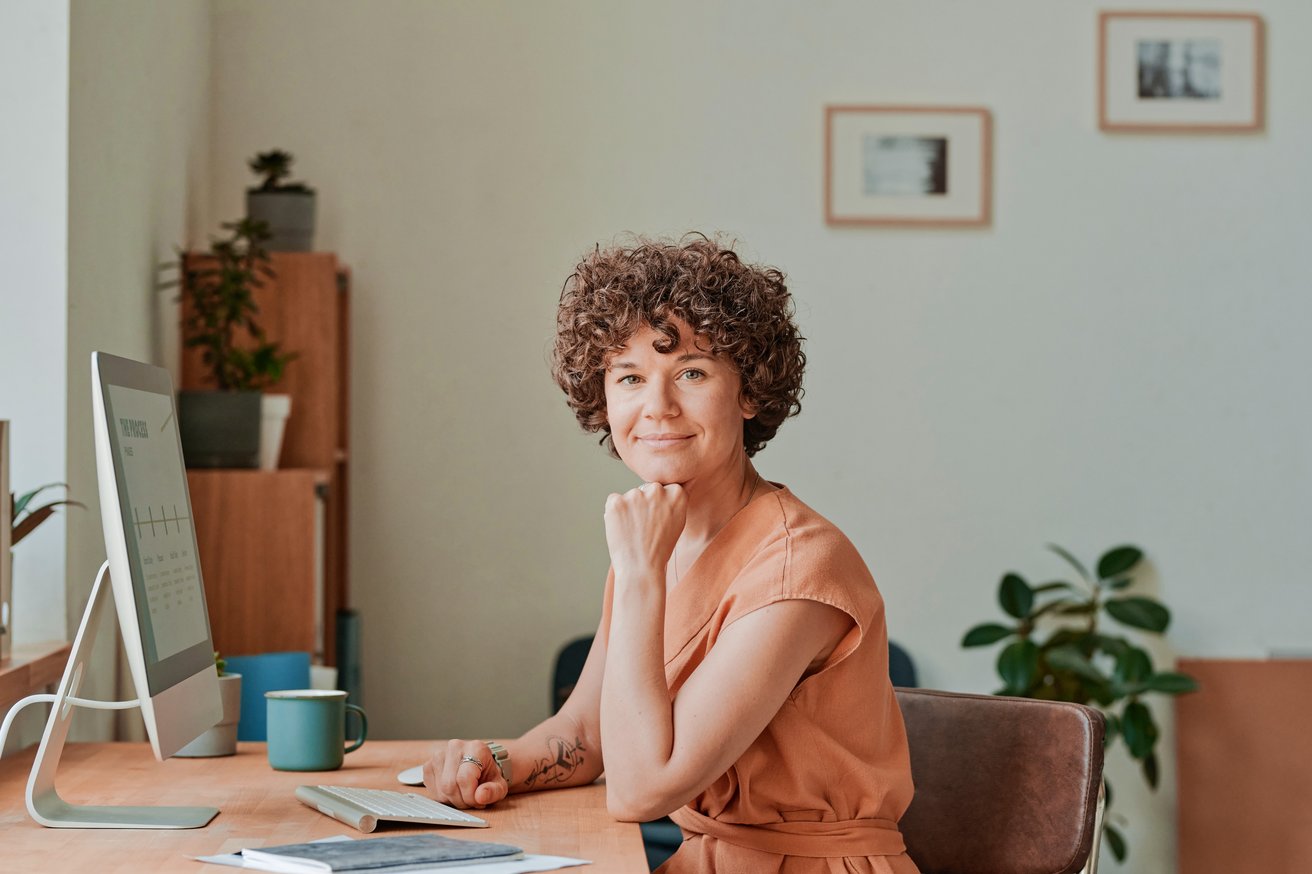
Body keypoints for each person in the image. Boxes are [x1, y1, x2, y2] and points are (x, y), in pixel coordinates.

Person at [422, 235, 919, 874]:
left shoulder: (798, 568)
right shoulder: (659, 543)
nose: (656, 407)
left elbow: (639, 790)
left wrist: (637, 575)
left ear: (748, 392)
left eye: (691, 372)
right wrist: (498, 762)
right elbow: (591, 735)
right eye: (629, 377)